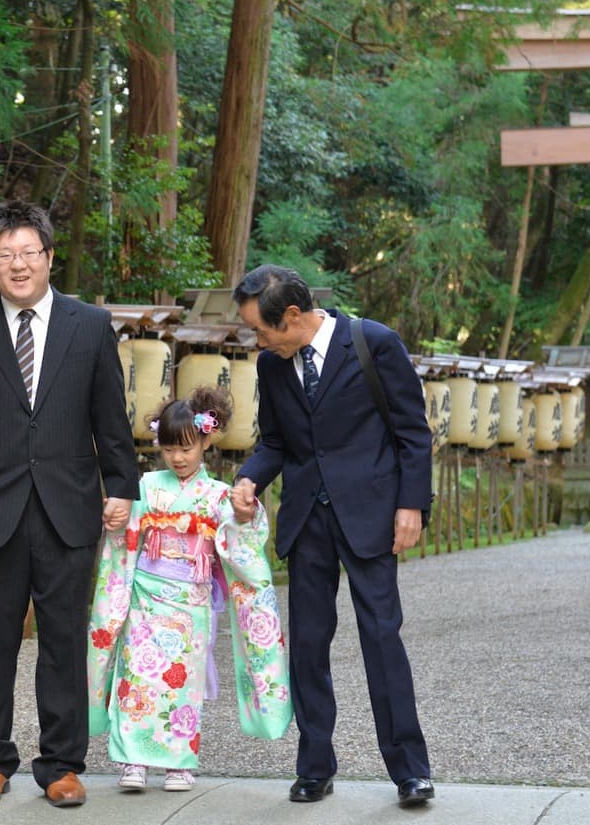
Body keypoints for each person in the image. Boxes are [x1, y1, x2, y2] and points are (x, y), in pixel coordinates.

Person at [0, 199, 139, 808]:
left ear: (49, 257)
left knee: (64, 642)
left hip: (68, 508)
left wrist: (120, 485)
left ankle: (61, 765)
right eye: (4, 256)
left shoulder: (90, 325)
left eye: (28, 253)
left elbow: (110, 415)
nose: (17, 266)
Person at [228, 264, 435, 808]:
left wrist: (411, 504)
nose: (257, 339)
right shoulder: (272, 366)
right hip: (307, 521)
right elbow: (275, 440)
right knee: (307, 647)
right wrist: (249, 476)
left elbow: (413, 431)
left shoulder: (374, 343)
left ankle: (410, 770)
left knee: (382, 640)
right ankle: (315, 765)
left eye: (260, 329)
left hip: (371, 516)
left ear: (292, 316)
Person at [88, 387, 292, 794]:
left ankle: (179, 763)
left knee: (184, 682)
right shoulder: (144, 485)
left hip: (191, 602)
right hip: (145, 595)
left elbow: (240, 541)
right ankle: (133, 760)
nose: (178, 458)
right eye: (169, 450)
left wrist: (241, 516)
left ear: (205, 440)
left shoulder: (217, 494)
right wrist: (116, 514)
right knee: (137, 678)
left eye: (186, 448)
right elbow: (125, 530)